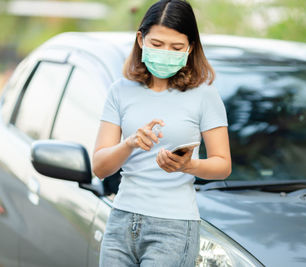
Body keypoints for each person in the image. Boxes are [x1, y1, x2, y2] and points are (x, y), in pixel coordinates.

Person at [92, 0, 231, 266]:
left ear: (190, 48)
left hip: (173, 227)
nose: (166, 52)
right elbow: (99, 167)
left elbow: (223, 165)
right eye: (157, 44)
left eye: (176, 47)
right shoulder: (120, 91)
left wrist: (188, 165)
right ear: (141, 40)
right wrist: (130, 144)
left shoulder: (205, 95)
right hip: (121, 221)